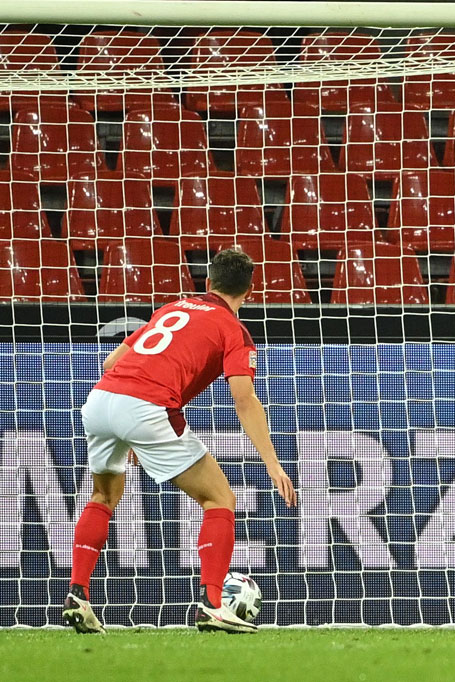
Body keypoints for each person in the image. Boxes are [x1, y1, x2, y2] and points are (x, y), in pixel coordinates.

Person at [63, 249, 296, 634]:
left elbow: (110, 363)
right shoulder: (234, 330)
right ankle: (213, 605)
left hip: (101, 400)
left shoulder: (173, 307)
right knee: (221, 499)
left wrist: (129, 430)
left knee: (103, 496)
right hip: (147, 407)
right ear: (250, 292)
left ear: (207, 283)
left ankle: (78, 594)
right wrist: (272, 462)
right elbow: (243, 397)